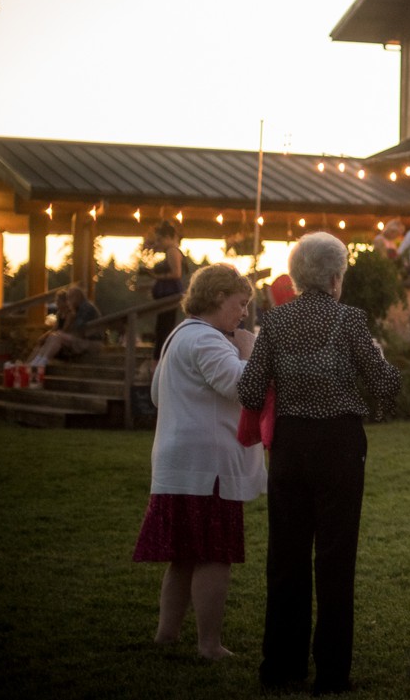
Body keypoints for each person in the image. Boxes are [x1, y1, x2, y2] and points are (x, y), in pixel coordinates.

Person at [238, 232, 401, 694]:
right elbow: (386, 385)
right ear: (335, 277)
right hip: (339, 446)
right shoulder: (349, 319)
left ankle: (281, 666)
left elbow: (249, 392)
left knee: (285, 557)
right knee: (335, 558)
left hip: (289, 446)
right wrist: (380, 357)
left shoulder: (276, 320)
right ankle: (331, 673)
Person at [132, 263, 265, 661]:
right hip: (208, 467)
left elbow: (157, 394)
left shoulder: (178, 336)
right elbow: (244, 387)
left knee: (184, 555)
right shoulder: (207, 340)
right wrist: (248, 351)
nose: (243, 313)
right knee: (213, 554)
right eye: (240, 304)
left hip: (180, 462)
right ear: (218, 297)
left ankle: (166, 635)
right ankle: (209, 644)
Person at [24, 285, 100, 384]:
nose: (68, 301)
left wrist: (71, 315)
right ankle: (35, 363)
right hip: (82, 339)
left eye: (70, 298)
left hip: (90, 343)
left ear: (77, 297)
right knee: (53, 336)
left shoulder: (86, 308)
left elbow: (78, 330)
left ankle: (40, 364)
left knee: (58, 336)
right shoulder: (78, 308)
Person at [144, 220, 185, 355]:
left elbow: (176, 273)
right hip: (166, 293)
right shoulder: (170, 251)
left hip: (170, 295)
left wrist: (156, 277)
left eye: (160, 240)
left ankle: (160, 358)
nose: (158, 244)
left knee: (164, 328)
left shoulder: (172, 251)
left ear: (168, 238)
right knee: (162, 328)